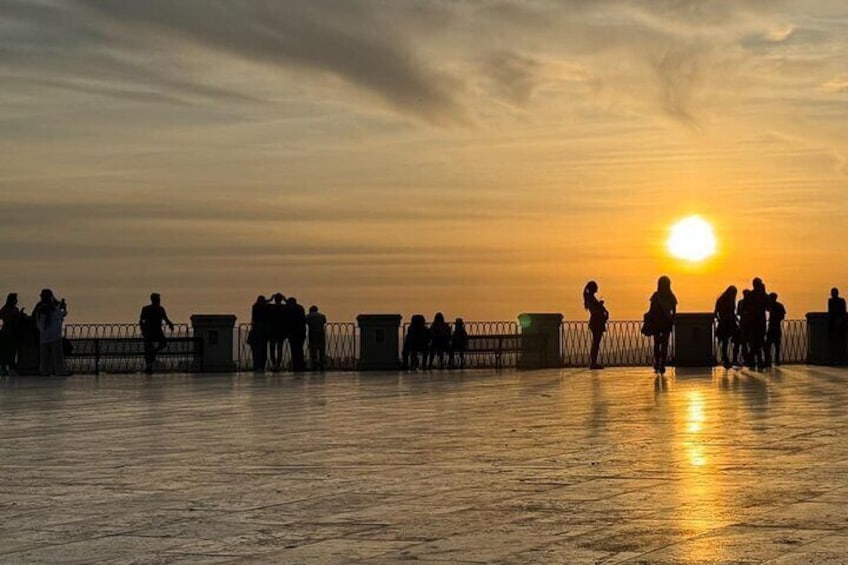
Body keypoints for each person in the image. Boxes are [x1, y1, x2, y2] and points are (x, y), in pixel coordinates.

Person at [33, 289, 68, 376]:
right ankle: (59, 372)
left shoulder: (40, 308)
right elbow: (62, 314)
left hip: (44, 337)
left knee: (44, 358)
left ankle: (44, 372)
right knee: (57, 357)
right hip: (55, 336)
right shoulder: (53, 308)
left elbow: (38, 322)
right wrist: (64, 308)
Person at [139, 293, 175, 374]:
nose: (159, 301)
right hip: (155, 332)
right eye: (158, 299)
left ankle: (150, 362)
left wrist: (143, 329)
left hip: (150, 332)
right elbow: (166, 319)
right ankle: (151, 359)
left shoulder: (148, 309)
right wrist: (171, 325)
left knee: (149, 349)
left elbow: (141, 321)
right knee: (154, 347)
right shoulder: (159, 309)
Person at [648, 276, 677, 375]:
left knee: (657, 343)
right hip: (665, 322)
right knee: (664, 343)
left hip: (657, 322)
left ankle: (658, 363)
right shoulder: (671, 296)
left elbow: (651, 310)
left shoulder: (656, 296)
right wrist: (672, 319)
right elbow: (674, 311)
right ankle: (662, 364)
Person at [583, 281, 609, 370]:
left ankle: (593, 362)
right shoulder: (591, 298)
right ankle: (593, 363)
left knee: (596, 342)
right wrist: (600, 305)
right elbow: (594, 310)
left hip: (597, 322)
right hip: (596, 322)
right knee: (596, 343)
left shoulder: (591, 298)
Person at [746, 278, 769, 369]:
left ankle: (753, 359)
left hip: (752, 321)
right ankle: (758, 360)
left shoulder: (750, 295)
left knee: (755, 342)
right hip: (760, 321)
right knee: (760, 341)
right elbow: (768, 306)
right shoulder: (763, 295)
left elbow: (746, 308)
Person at [714, 286, 739, 369]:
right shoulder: (729, 300)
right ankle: (731, 358)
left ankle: (726, 358)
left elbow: (716, 312)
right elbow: (731, 313)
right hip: (728, 323)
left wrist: (720, 319)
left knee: (725, 341)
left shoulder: (721, 300)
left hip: (725, 323)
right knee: (734, 340)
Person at [0, 293, 23, 376]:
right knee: (11, 352)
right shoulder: (14, 310)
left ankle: (3, 368)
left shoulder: (4, 309)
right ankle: (11, 368)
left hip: (5, 332)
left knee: (4, 352)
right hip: (12, 333)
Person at [285, 296, 307, 372]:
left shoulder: (289, 310)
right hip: (301, 332)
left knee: (294, 350)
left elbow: (288, 322)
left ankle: (296, 366)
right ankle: (301, 365)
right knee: (300, 349)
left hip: (293, 333)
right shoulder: (300, 308)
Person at [249, 295, 271, 372]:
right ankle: (260, 366)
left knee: (258, 351)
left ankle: (258, 366)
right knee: (261, 351)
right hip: (262, 333)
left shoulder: (255, 307)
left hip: (258, 333)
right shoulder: (265, 308)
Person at [765, 292, 786, 367]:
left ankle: (768, 360)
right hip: (776, 327)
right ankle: (776, 360)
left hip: (772, 327)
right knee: (776, 346)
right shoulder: (779, 305)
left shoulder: (771, 306)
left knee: (769, 345)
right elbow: (783, 316)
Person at [828, 288, 847, 364]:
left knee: (836, 343)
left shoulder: (831, 301)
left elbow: (830, 313)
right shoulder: (841, 301)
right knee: (840, 343)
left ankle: (836, 358)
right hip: (840, 324)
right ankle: (840, 358)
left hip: (836, 325)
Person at [268, 293, 287, 371]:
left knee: (272, 348)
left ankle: (274, 363)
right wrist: (285, 299)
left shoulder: (271, 307)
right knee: (280, 348)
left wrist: (270, 299)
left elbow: (261, 304)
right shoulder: (284, 307)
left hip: (272, 330)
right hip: (281, 330)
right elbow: (290, 305)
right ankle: (278, 364)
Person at [306, 305, 327, 371]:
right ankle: (322, 365)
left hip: (312, 333)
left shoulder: (308, 316)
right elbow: (324, 322)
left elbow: (306, 322)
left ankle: (314, 365)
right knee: (321, 349)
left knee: (313, 350)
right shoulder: (322, 316)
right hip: (321, 333)